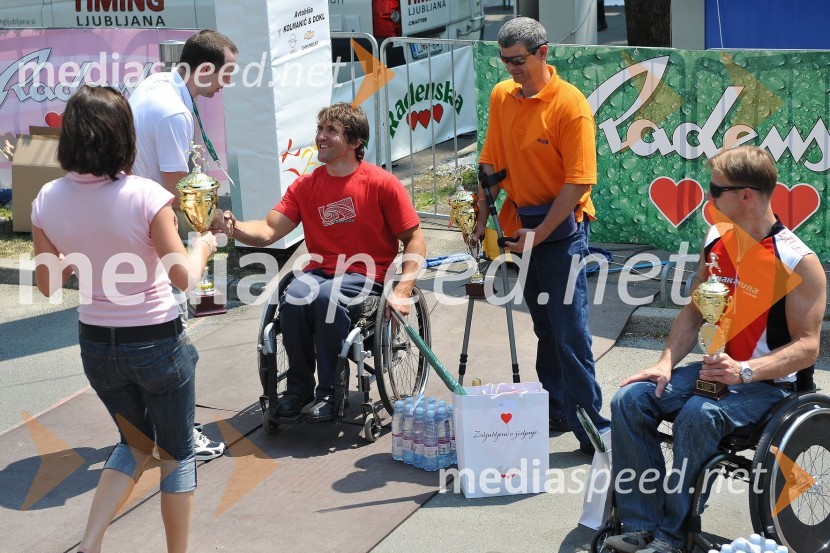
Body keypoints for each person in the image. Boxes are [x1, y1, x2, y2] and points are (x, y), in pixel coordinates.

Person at [605, 146, 825, 553]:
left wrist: (743, 370)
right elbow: (694, 310)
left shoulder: (798, 260)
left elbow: (808, 348)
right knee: (630, 399)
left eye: (715, 189)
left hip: (769, 385)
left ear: (746, 195)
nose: (708, 198)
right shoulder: (716, 237)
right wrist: (665, 362)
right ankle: (642, 526)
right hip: (713, 369)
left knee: (698, 414)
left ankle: (672, 537)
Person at [31, 85, 220, 553]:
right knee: (177, 454)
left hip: (96, 345)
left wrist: (79, 247)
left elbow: (48, 284)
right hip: (156, 342)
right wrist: (205, 247)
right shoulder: (147, 196)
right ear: (123, 135)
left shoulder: (46, 198)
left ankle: (92, 542)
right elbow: (184, 278)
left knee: (133, 444)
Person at [220, 103, 425, 421]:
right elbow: (269, 230)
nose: (321, 137)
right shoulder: (305, 186)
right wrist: (233, 227)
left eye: (331, 131)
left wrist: (403, 290)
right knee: (297, 294)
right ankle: (298, 389)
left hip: (367, 275)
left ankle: (331, 391)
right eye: (320, 129)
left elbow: (415, 240)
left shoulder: (382, 184)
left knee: (327, 297)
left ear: (355, 142)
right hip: (321, 272)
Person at [472, 17, 609, 454]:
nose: (510, 68)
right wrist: (478, 212)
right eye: (505, 60)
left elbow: (578, 183)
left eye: (518, 60)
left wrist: (541, 233)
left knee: (570, 331)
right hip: (520, 224)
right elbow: (491, 162)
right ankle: (556, 408)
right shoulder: (502, 95)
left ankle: (592, 425)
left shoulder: (571, 107)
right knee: (545, 326)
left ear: (543, 52)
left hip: (563, 229)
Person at [129, 29, 238, 460]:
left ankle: (148, 430)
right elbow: (181, 192)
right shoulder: (174, 111)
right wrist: (213, 229)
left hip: (133, 221)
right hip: (149, 228)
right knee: (174, 345)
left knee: (145, 335)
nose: (226, 85)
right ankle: (178, 436)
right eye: (225, 75)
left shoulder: (158, 83)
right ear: (205, 68)